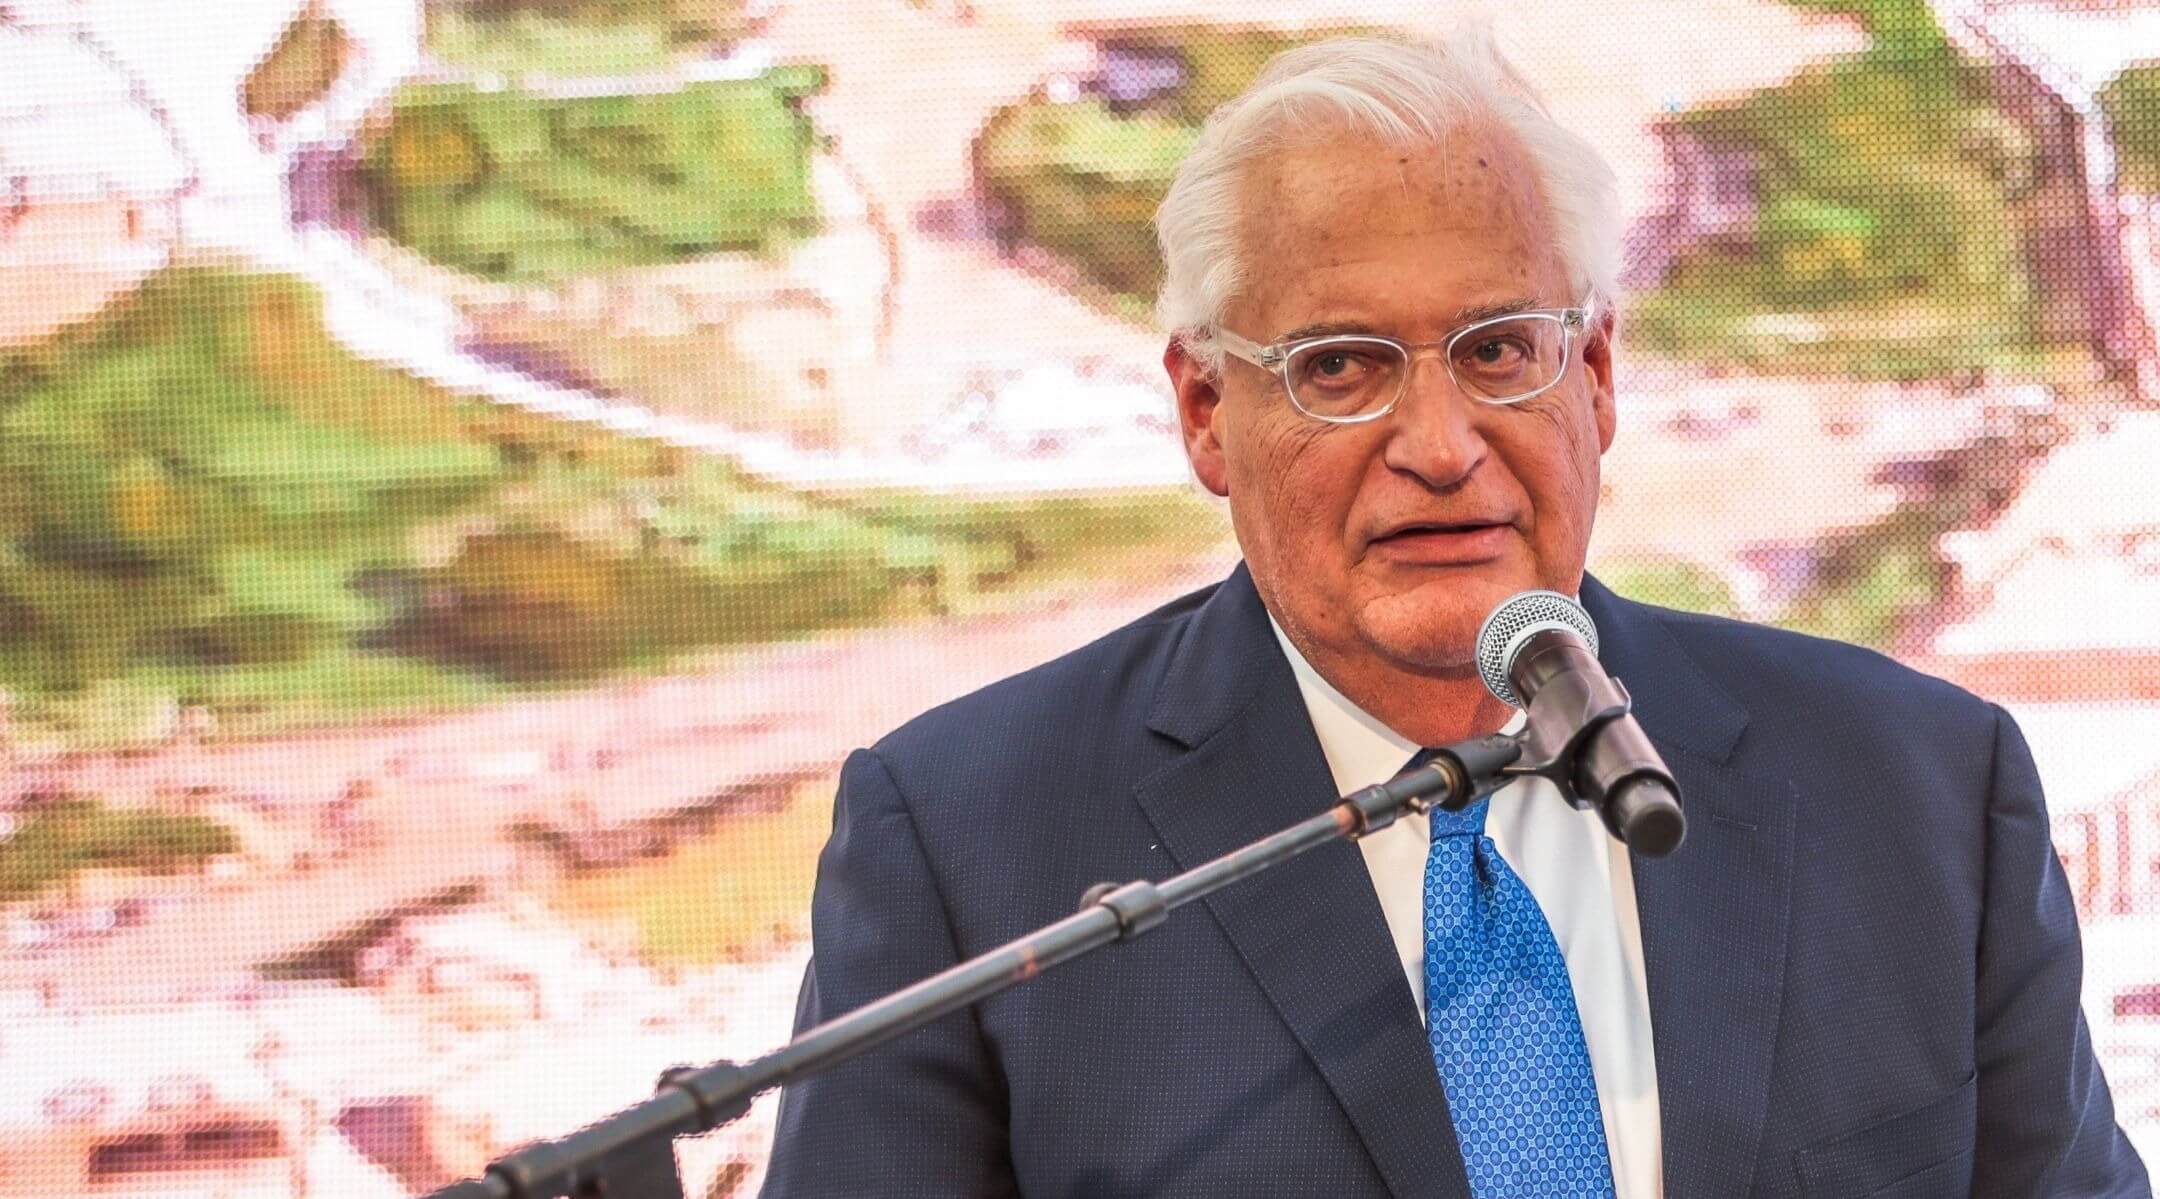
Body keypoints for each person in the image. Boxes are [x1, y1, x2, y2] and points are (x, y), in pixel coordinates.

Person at [761, 29, 2151, 1199]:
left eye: (1499, 351)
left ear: (1596, 376)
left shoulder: (1916, 788)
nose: (1441, 442)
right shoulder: (964, 842)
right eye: (1342, 368)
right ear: (1203, 411)